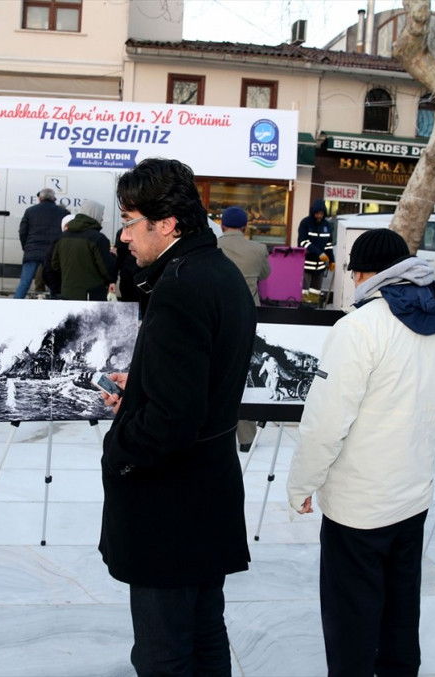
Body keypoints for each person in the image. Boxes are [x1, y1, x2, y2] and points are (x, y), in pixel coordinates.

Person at [287, 228, 435, 677]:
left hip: (358, 502)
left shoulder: (359, 327)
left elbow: (327, 422)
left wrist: (302, 483)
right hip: (412, 494)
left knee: (351, 613)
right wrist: (413, 451)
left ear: (366, 273)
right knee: (401, 603)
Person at [97, 158, 256, 675]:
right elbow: (197, 384)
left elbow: (173, 419)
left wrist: (119, 452)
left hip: (171, 505)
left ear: (165, 223)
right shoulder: (218, 271)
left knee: (164, 649)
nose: (122, 237)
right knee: (206, 632)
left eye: (128, 220)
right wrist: (140, 389)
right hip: (207, 491)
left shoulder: (181, 286)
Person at [217, 206, 270, 451]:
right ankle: (246, 438)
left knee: (216, 375)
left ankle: (216, 433)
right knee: (247, 376)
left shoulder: (213, 246)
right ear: (245, 227)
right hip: (249, 319)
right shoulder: (258, 249)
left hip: (217, 317)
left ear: (222, 224)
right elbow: (265, 274)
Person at [51, 199, 116, 301]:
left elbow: (55, 265)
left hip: (67, 292)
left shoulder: (62, 237)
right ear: (94, 214)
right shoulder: (98, 239)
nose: (102, 218)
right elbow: (106, 269)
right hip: (92, 294)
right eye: (101, 214)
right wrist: (113, 256)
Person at [14, 187, 69, 299]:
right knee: (54, 284)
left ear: (40, 199)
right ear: (54, 199)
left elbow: (22, 232)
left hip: (32, 252)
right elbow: (66, 233)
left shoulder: (30, 211)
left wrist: (27, 247)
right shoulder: (63, 212)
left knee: (24, 283)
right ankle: (55, 305)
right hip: (52, 253)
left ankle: (14, 306)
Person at [298, 199, 334, 304]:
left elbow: (328, 245)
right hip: (307, 265)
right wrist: (319, 253)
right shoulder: (305, 223)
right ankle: (303, 310)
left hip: (320, 267)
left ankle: (312, 310)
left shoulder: (327, 225)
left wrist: (332, 260)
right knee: (304, 292)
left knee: (315, 292)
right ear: (313, 213)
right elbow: (303, 242)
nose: (319, 216)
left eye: (321, 213)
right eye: (317, 213)